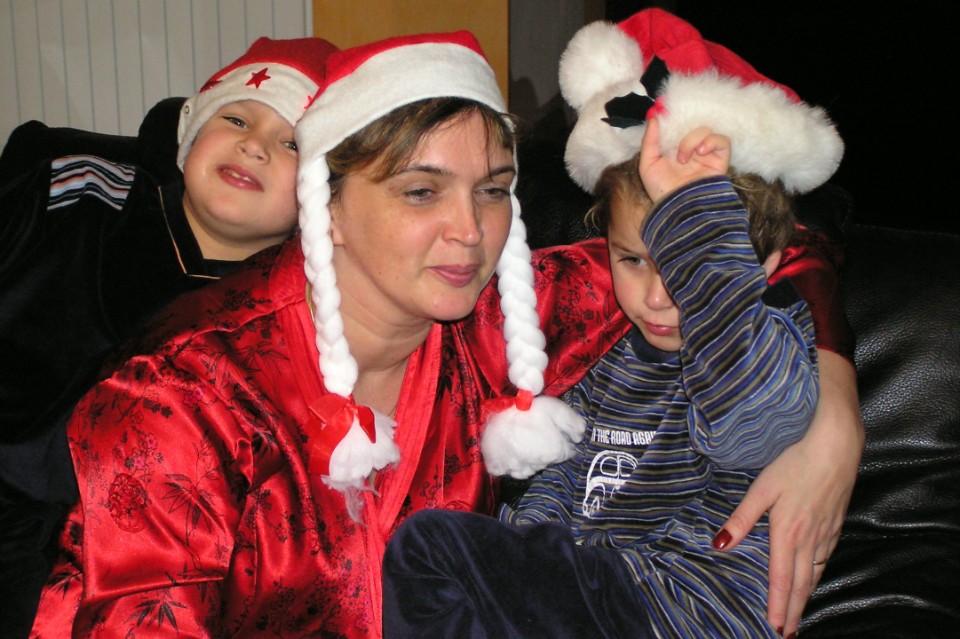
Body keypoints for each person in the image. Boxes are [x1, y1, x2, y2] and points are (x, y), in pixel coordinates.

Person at [30, 27, 858, 639]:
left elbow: (769, 242)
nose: (471, 231)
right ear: (328, 206)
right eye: (421, 191)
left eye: (492, 189)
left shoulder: (506, 316)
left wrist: (832, 409)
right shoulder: (180, 396)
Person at [381, 9, 852, 639]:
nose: (658, 297)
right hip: (595, 587)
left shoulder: (771, 342)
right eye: (633, 261)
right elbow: (562, 473)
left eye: (683, 269)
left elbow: (748, 430)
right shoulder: (605, 344)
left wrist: (699, 232)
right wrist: (524, 541)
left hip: (686, 602)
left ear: (764, 264)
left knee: (428, 548)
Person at [0, 36, 337, 639]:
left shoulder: (299, 316)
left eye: (292, 144)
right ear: (189, 134)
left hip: (117, 564)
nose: (253, 146)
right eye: (236, 119)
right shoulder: (75, 193)